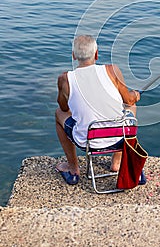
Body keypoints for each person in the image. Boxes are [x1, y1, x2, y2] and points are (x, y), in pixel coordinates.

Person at [55, 34, 140, 185]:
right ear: (96, 54)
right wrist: (135, 95)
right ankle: (117, 162)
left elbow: (63, 107)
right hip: (119, 137)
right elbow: (128, 100)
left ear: (74, 56)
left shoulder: (65, 79)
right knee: (130, 106)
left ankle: (73, 168)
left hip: (86, 141)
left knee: (58, 114)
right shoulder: (112, 70)